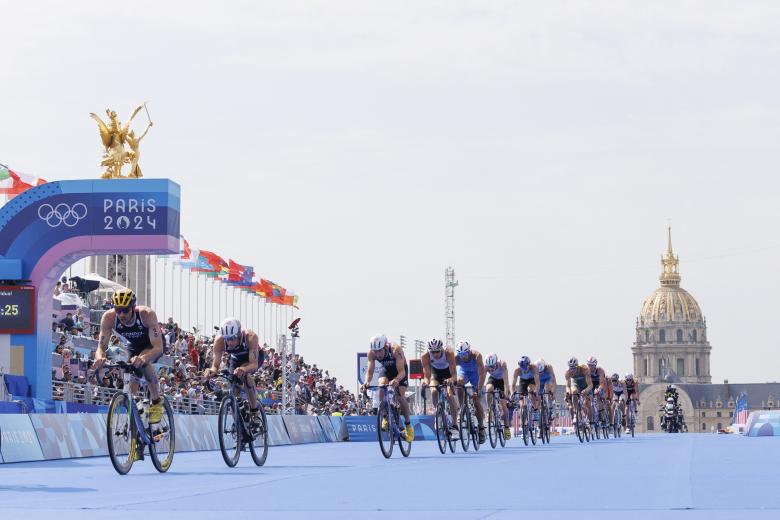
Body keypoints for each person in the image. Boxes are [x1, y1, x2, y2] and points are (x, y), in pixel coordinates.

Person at [92, 289, 165, 423]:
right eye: (118, 309)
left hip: (152, 344)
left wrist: (143, 358)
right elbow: (101, 347)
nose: (121, 314)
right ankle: (135, 417)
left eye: (125, 310)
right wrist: (100, 358)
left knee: (142, 362)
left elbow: (158, 347)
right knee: (132, 380)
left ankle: (156, 400)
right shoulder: (109, 318)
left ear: (132, 307)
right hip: (133, 346)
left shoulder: (146, 314)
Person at [204, 317, 264, 427]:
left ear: (239, 334)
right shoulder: (219, 341)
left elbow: (253, 364)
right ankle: (238, 421)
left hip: (253, 358)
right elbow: (215, 365)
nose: (230, 342)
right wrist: (211, 371)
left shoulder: (250, 337)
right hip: (236, 358)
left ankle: (255, 411)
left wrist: (244, 369)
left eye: (233, 338)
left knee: (245, 376)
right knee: (233, 387)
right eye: (227, 338)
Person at [361, 334, 413, 442]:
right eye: (375, 351)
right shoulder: (371, 353)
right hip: (387, 370)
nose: (378, 354)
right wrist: (366, 382)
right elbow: (370, 371)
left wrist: (397, 380)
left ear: (385, 347)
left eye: (380, 351)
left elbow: (402, 372)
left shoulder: (395, 349)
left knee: (400, 396)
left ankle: (408, 425)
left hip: (400, 371)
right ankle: (385, 416)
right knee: (381, 386)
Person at [420, 338, 459, 436]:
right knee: (433, 390)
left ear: (441, 349)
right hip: (436, 373)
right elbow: (427, 376)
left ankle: (454, 425)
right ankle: (438, 413)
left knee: (450, 396)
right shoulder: (425, 356)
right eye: (433, 352)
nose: (435, 354)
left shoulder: (449, 353)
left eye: (437, 351)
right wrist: (424, 383)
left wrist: (451, 380)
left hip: (448, 374)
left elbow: (454, 374)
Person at [455, 340, 486, 443]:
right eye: (460, 354)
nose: (462, 357)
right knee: (459, 383)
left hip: (476, 375)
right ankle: (462, 407)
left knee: (477, 401)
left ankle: (481, 428)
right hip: (465, 372)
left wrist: (479, 389)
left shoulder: (477, 356)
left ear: (469, 351)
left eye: (464, 354)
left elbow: (482, 374)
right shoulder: (457, 358)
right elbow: (450, 370)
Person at [484, 353, 512, 440]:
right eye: (490, 367)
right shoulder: (486, 366)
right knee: (488, 389)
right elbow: (482, 377)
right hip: (493, 379)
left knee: (503, 405)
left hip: (502, 381)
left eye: (493, 366)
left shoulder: (502, 364)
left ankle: (506, 428)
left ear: (496, 363)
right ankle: (489, 410)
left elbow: (506, 379)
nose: (491, 368)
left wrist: (506, 391)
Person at [564, 357, 593, 423]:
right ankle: (575, 414)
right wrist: (568, 392)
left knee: (587, 404)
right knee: (573, 392)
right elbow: (568, 386)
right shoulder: (567, 373)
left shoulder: (584, 369)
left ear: (577, 366)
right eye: (571, 367)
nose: (572, 370)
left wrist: (585, 391)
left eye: (574, 367)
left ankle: (591, 422)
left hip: (586, 386)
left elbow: (590, 385)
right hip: (576, 383)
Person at [587, 356, 607, 425]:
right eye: (589, 365)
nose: (590, 367)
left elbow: (602, 383)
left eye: (592, 365)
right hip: (591, 385)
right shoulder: (586, 371)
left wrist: (598, 389)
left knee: (598, 395)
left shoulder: (600, 370)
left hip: (598, 385)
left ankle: (602, 415)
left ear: (595, 365)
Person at [535, 358, 557, 423]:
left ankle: (550, 410)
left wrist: (553, 393)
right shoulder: (534, 369)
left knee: (548, 391)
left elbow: (554, 382)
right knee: (537, 398)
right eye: (539, 372)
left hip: (547, 380)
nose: (540, 373)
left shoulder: (549, 367)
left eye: (541, 372)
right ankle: (539, 420)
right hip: (539, 383)